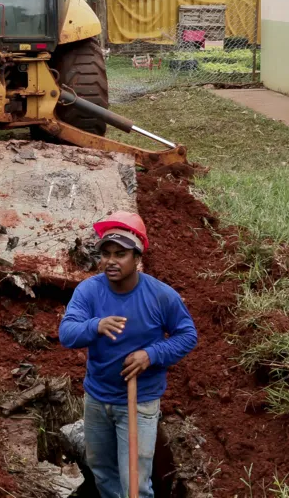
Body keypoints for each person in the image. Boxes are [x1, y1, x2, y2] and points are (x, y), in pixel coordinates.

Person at [59, 212, 197, 498]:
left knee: (135, 481)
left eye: (120, 254)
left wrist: (151, 354)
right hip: (97, 399)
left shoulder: (161, 296)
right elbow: (67, 333)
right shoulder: (89, 291)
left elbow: (187, 336)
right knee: (101, 469)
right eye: (106, 253)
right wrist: (95, 325)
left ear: (137, 257)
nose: (111, 261)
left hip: (139, 403)